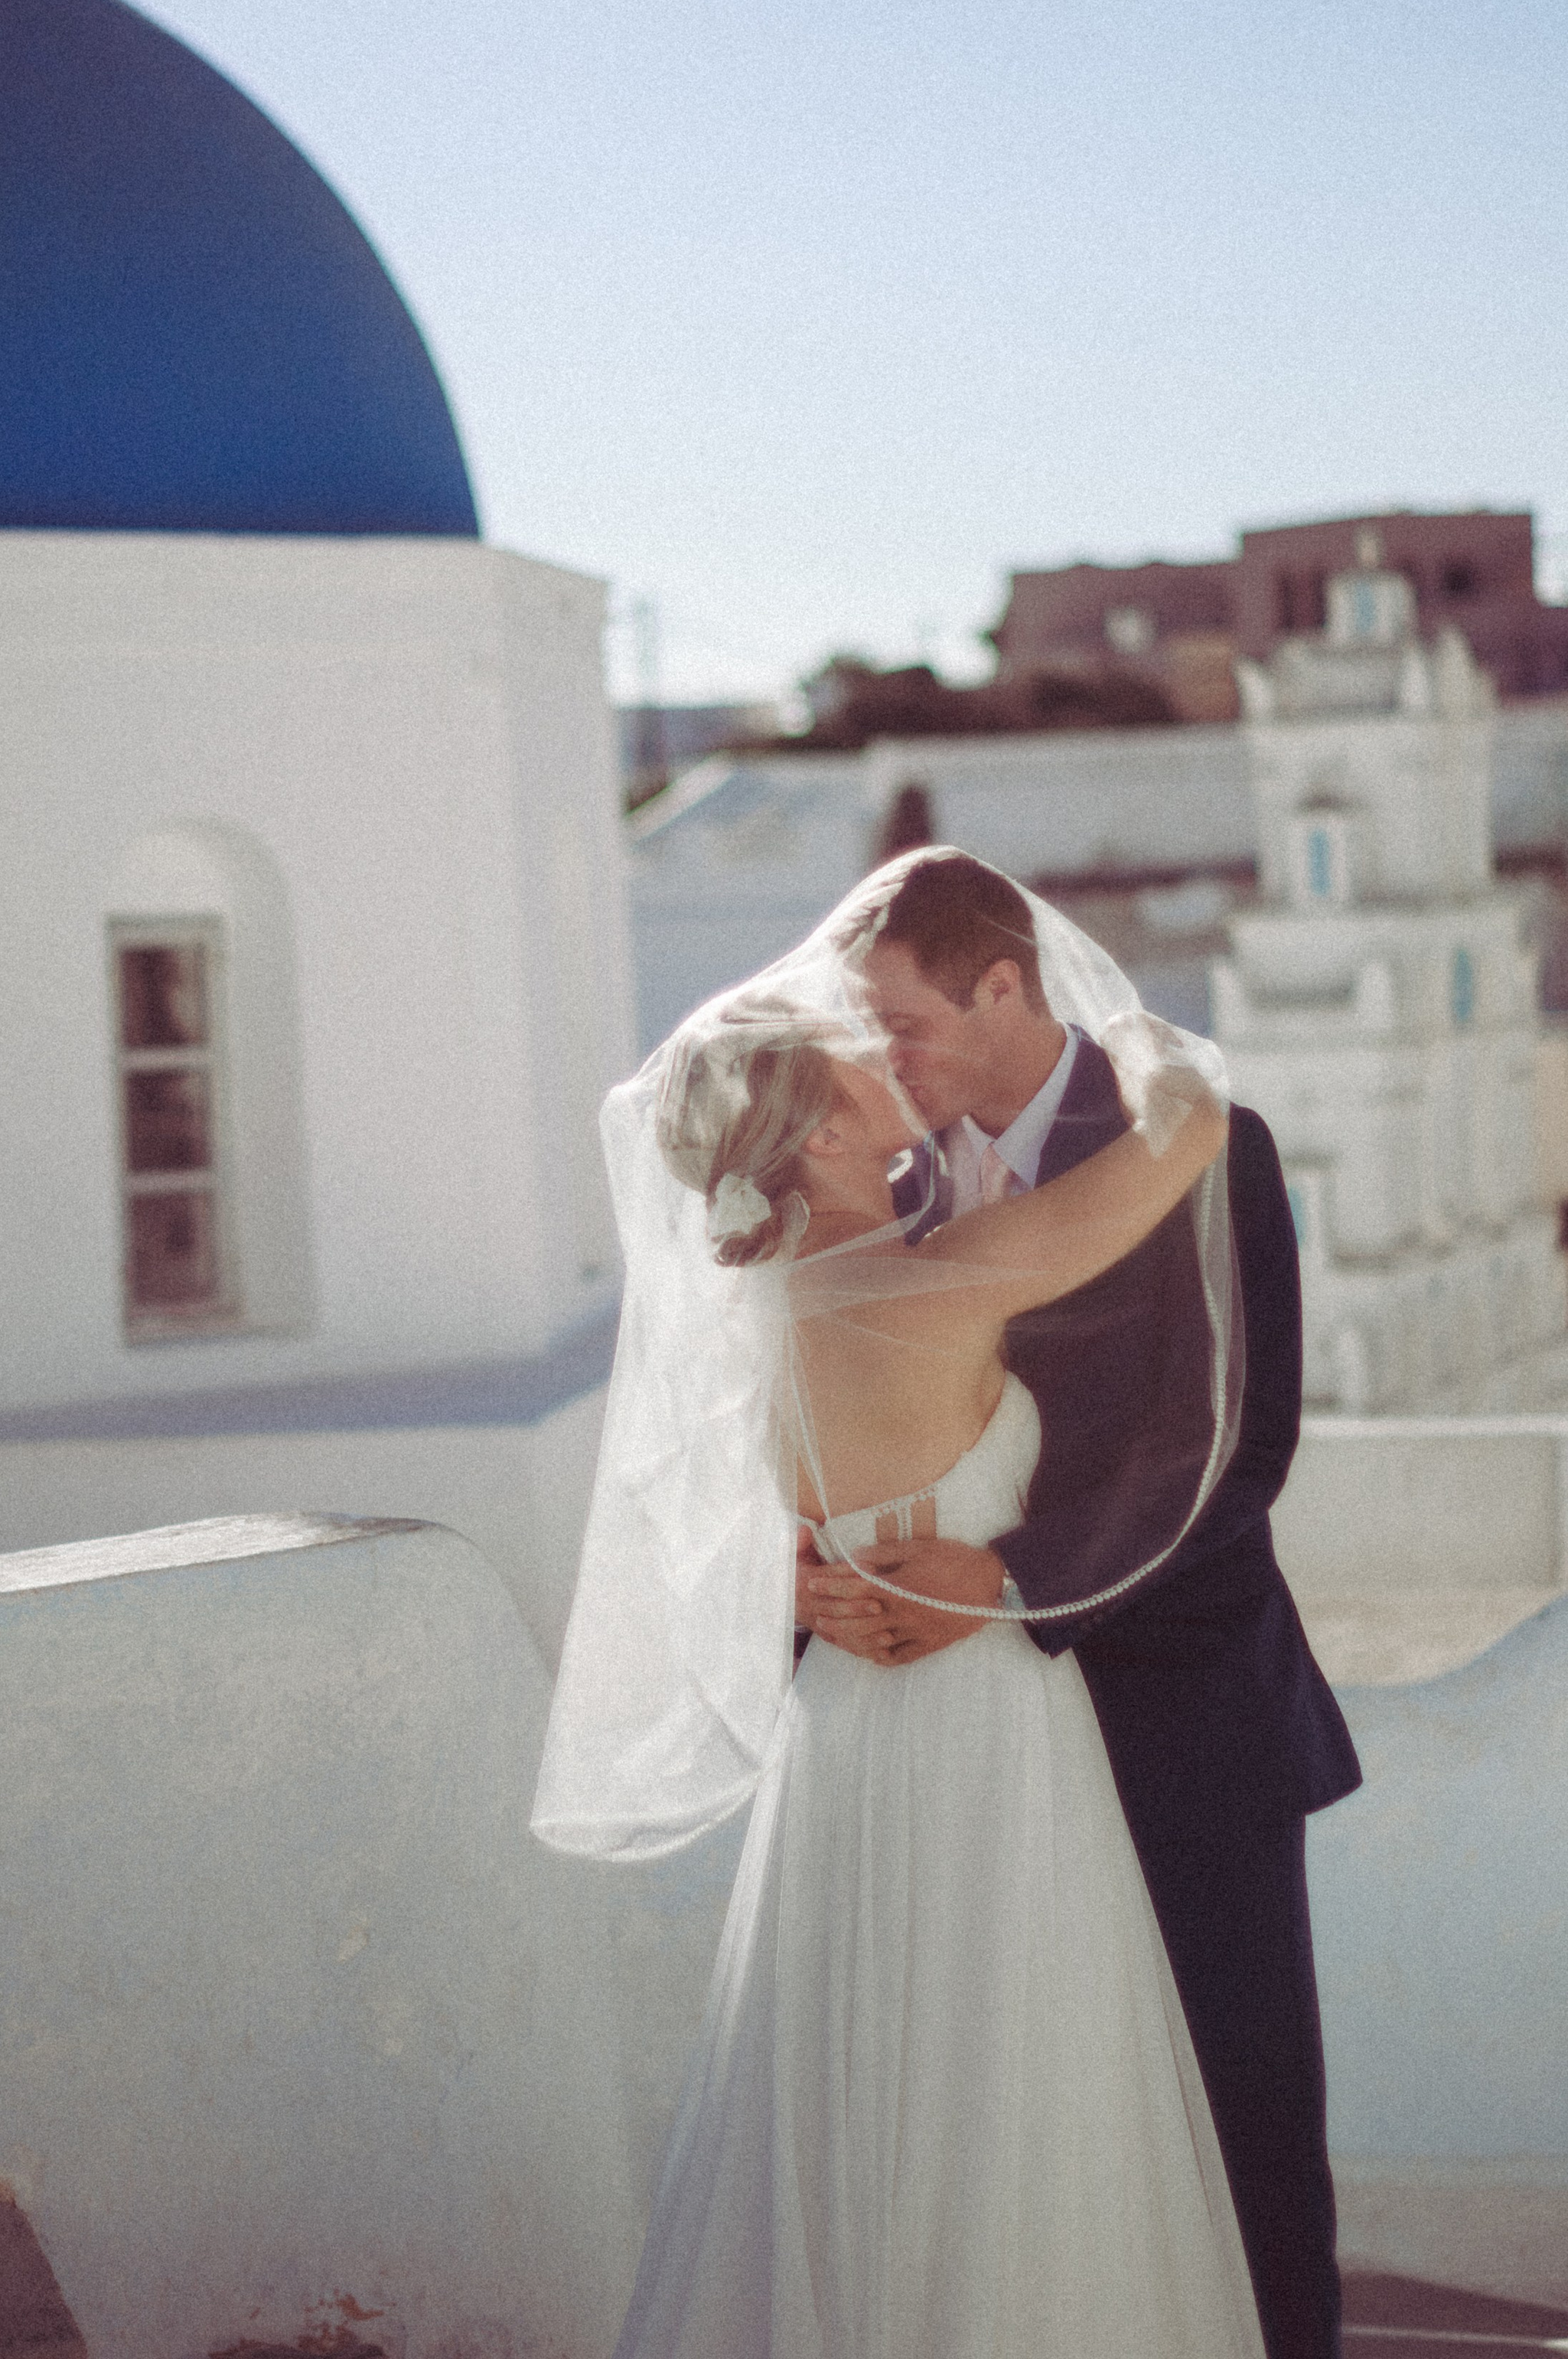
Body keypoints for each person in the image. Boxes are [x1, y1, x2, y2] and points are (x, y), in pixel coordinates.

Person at [534, 863, 1286, 2359]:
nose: (883, 1064)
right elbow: (1177, 1141)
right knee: (1004, 2079)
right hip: (979, 1724)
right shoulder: (918, 1285)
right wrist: (1130, 1031)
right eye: (850, 1061)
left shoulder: (789, 1294)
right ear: (811, 1126)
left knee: (856, 2086)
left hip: (848, 1739)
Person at [797, 849, 1360, 2359]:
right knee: (1009, 2147)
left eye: (897, 1021)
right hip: (963, 1762)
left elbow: (1238, 1449)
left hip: (1178, 1723)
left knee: (1236, 2127)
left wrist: (1004, 1580)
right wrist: (817, 1577)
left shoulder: (1197, 1145)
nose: (874, 1059)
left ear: (1004, 986)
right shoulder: (874, 1190)